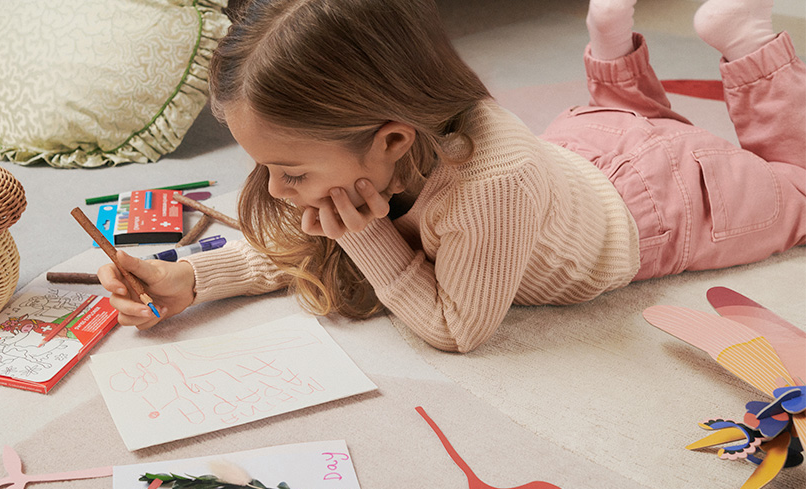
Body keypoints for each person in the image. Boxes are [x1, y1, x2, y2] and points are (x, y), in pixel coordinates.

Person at [98, 0, 805, 353]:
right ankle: (612, 50)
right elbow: (320, 240)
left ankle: (751, 42)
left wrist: (373, 234)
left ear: (392, 139)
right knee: (625, 117)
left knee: (795, 186)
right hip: (584, 148)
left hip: (671, 203)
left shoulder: (488, 184)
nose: (278, 192)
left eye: (288, 171)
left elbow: (458, 327)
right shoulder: (385, 142)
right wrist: (195, 277)